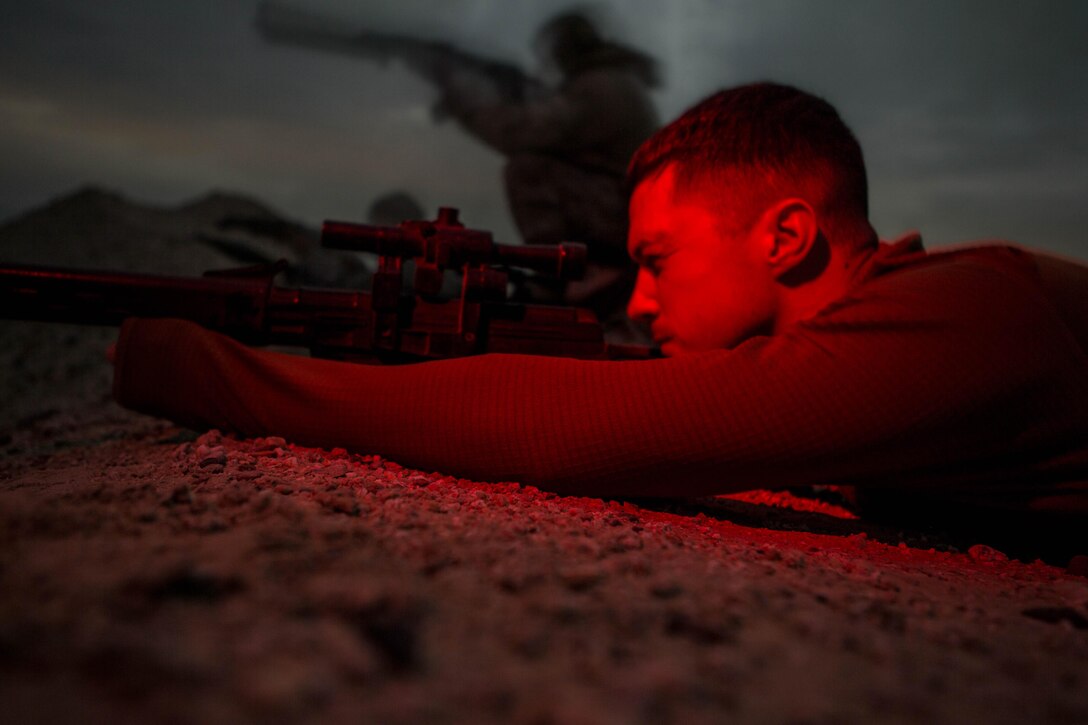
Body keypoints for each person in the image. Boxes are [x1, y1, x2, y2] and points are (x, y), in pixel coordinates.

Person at [111, 83, 1088, 519]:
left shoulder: (970, 312)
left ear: (784, 237)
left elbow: (570, 424)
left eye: (657, 259)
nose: (644, 298)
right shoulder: (910, 341)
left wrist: (206, 369)